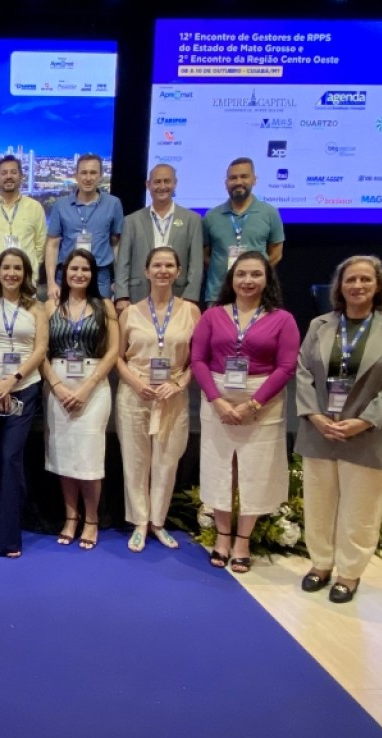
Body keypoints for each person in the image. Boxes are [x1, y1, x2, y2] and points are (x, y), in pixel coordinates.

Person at [295, 256, 382, 603]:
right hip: (320, 430)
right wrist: (314, 416)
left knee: (360, 511)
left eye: (365, 279)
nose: (357, 286)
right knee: (318, 505)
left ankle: (349, 574)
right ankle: (320, 564)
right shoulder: (320, 324)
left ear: (378, 286)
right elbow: (303, 372)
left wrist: (363, 421)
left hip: (368, 434)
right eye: (350, 280)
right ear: (340, 286)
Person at [191, 251, 299, 573]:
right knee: (220, 468)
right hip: (218, 402)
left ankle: (243, 540)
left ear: (267, 279)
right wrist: (217, 401)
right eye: (241, 274)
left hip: (263, 404)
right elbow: (197, 360)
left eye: (255, 274)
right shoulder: (212, 315)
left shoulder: (283, 319)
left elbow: (286, 366)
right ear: (231, 279)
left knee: (255, 469)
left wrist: (253, 404)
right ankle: (223, 536)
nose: (248, 280)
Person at [115, 247, 200, 552]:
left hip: (171, 395)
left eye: (169, 266)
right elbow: (118, 357)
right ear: (146, 271)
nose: (163, 271)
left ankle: (158, 522)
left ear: (178, 272)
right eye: (157, 265)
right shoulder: (129, 312)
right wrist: (136, 383)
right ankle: (139, 521)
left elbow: (198, 359)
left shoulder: (191, 312)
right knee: (135, 460)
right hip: (135, 392)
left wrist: (178, 384)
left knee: (167, 461)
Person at [40, 248, 119, 550]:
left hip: (93, 386)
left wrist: (88, 387)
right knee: (63, 454)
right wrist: (56, 385)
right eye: (74, 269)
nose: (79, 274)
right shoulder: (50, 306)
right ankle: (71, 517)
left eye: (85, 269)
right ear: (64, 272)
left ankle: (92, 519)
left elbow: (113, 350)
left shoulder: (104, 306)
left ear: (93, 274)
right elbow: (40, 350)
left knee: (89, 454)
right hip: (58, 385)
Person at [0, 248, 48, 557]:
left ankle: (9, 537)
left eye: (17, 268)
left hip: (24, 388)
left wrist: (13, 380)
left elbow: (40, 349)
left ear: (26, 274)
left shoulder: (37, 308)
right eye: (6, 267)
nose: (11, 273)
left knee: (10, 458)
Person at [113, 163, 203, 312]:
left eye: (167, 181)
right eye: (157, 182)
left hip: (179, 296)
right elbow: (123, 262)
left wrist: (190, 297)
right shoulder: (132, 221)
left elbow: (196, 263)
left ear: (175, 183)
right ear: (148, 185)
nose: (162, 186)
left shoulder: (192, 220)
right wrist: (122, 295)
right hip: (138, 295)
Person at [202, 157, 284, 304]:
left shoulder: (270, 213)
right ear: (226, 183)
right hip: (218, 295)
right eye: (233, 178)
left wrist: (254, 273)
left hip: (257, 295)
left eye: (244, 176)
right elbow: (204, 256)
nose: (238, 182)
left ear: (254, 180)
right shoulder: (211, 216)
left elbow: (276, 254)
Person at [45, 154, 124, 301]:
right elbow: (52, 244)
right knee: (65, 315)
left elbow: (116, 244)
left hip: (100, 275)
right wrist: (51, 282)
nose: (88, 178)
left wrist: (119, 281)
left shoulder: (113, 204)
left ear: (101, 175)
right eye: (84, 173)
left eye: (93, 173)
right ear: (76, 176)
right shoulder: (61, 205)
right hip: (67, 274)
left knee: (101, 315)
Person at [0, 155, 47, 289]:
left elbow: (41, 245)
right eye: (4, 173)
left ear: (21, 177)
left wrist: (29, 268)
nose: (9, 176)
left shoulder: (35, 207)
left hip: (26, 282)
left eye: (13, 172)